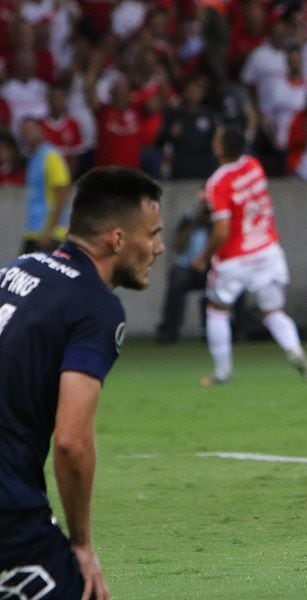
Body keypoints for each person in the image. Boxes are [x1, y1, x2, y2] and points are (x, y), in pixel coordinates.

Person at [0, 166, 164, 600]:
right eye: (152, 234)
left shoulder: (17, 269)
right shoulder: (95, 307)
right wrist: (82, 543)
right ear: (117, 239)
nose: (159, 248)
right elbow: (72, 441)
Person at [194, 126, 307, 385]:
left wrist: (203, 256)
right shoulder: (253, 165)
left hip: (234, 258)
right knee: (272, 312)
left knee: (217, 310)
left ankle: (222, 373)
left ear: (219, 147)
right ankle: (295, 351)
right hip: (267, 250)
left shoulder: (218, 181)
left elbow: (222, 229)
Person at [155, 195, 212, 344]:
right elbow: (178, 247)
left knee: (225, 281)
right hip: (187, 268)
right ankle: (169, 332)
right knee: (176, 281)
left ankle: (215, 331)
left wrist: (211, 224)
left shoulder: (219, 222)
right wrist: (191, 225)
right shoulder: (189, 219)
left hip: (211, 268)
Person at [19, 117, 72, 254]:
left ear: (42, 132)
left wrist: (49, 230)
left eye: (30, 130)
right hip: (33, 229)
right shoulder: (33, 158)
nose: (27, 134)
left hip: (48, 232)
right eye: (24, 131)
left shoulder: (51, 156)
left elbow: (62, 192)